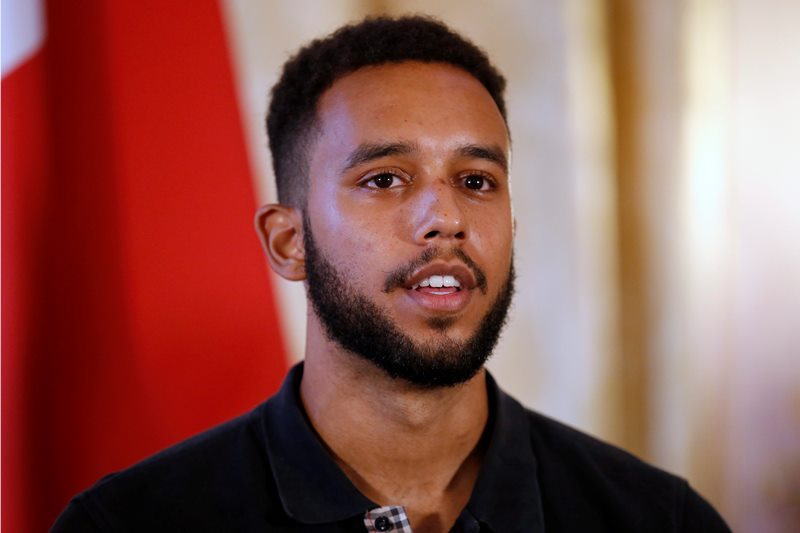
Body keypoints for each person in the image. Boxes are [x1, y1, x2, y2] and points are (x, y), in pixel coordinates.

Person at [52, 16, 730, 532]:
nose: (445, 216)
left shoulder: (659, 518)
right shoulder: (127, 523)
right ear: (289, 242)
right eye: (385, 178)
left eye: (475, 179)